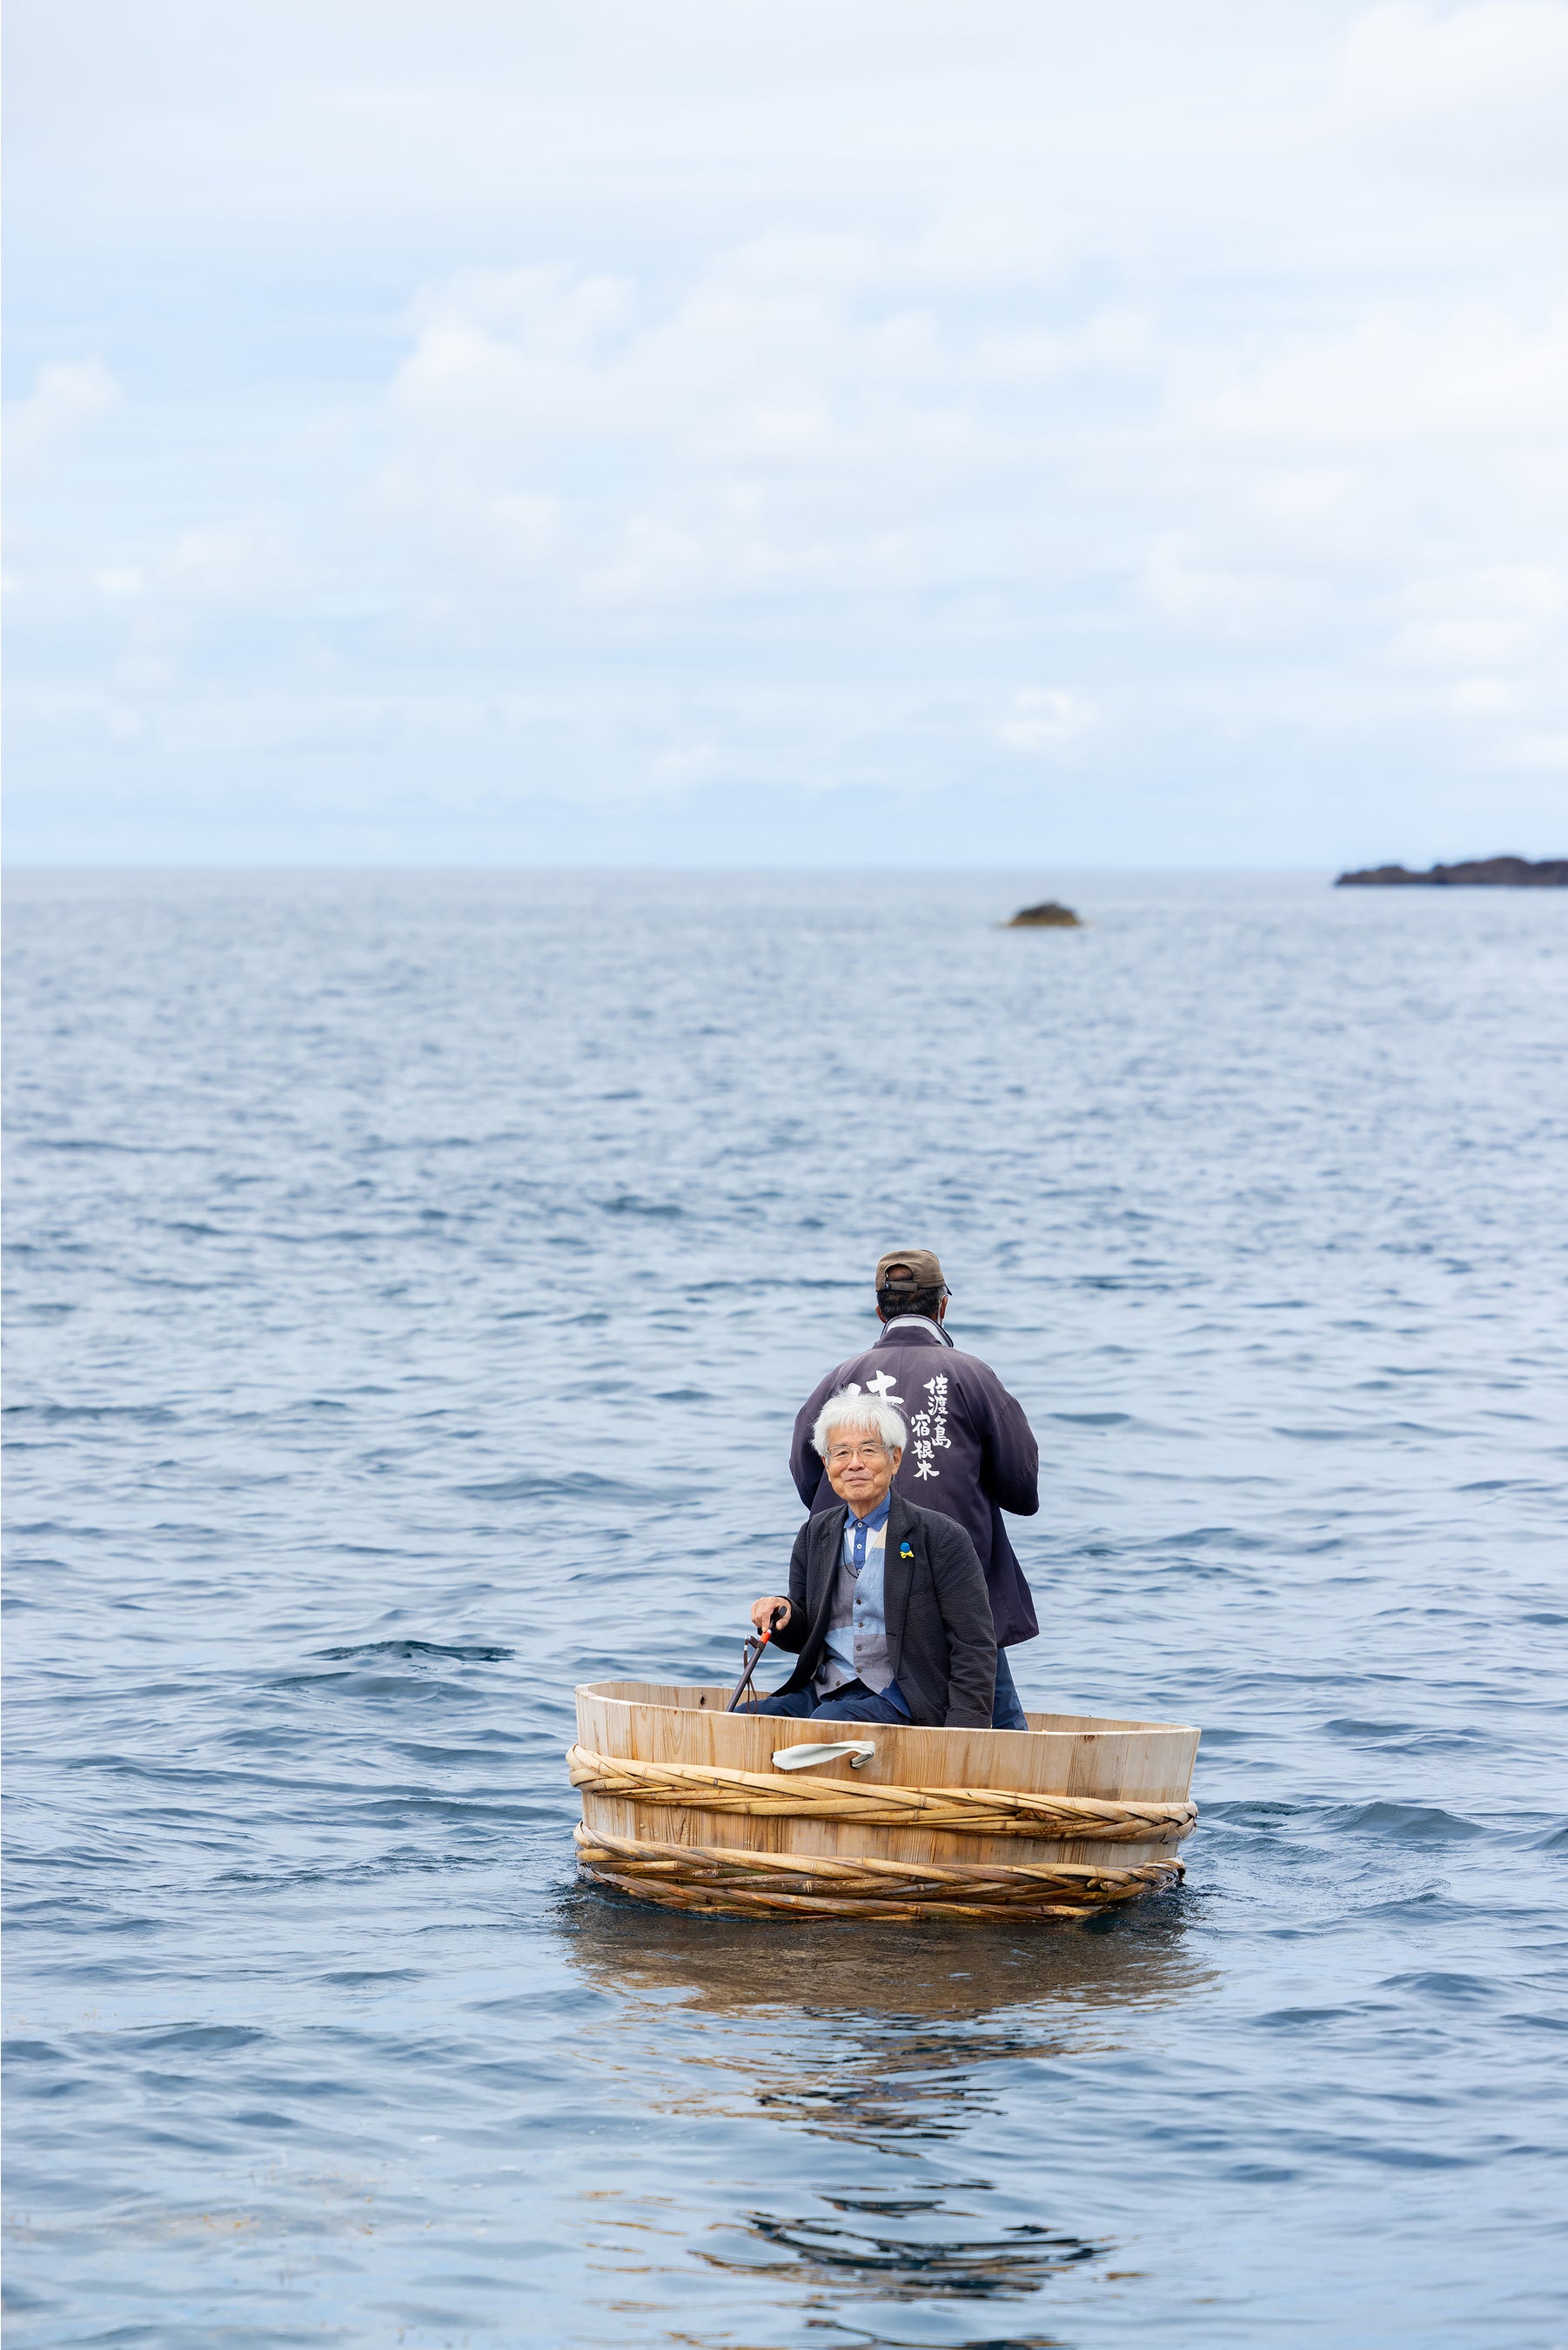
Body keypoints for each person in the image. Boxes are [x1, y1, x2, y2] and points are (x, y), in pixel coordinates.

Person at [790, 1249, 1040, 1730]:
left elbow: (808, 1476)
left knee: (842, 1693)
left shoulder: (841, 1379)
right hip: (959, 1577)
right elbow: (1022, 1488)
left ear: (880, 1310)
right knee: (987, 1690)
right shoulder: (973, 1374)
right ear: (943, 1305)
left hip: (858, 1576)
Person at [748, 1389, 995, 1728]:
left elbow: (974, 1645)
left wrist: (964, 1735)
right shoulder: (814, 1534)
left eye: (868, 1450)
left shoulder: (940, 1537)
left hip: (902, 1700)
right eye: (841, 1453)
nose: (854, 1463)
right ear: (826, 1464)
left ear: (895, 1458)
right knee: (748, 1720)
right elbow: (803, 1638)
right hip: (824, 1691)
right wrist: (785, 1614)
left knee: (829, 1723)